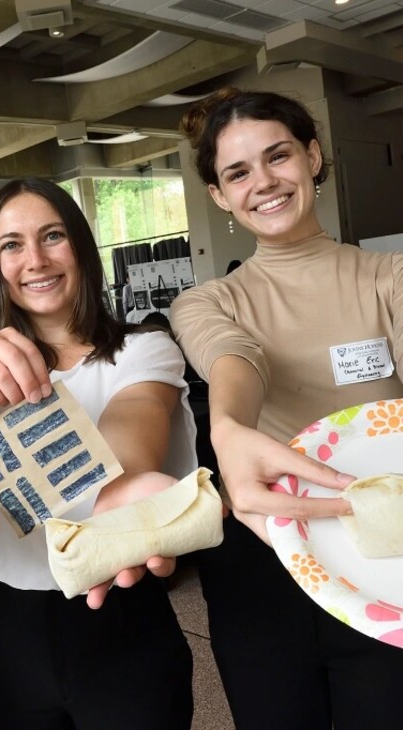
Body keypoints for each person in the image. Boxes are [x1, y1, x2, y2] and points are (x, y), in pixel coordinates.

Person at [170, 87, 403, 730]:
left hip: (383, 547)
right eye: (238, 172)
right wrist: (227, 427)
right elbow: (238, 356)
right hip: (263, 554)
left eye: (278, 157)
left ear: (313, 156)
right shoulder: (207, 303)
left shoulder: (389, 278)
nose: (264, 183)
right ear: (219, 195)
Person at [0, 177, 198, 730]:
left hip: (120, 607)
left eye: (52, 236)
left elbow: (136, 416)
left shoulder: (142, 348)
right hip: (4, 620)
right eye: (11, 244)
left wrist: (120, 491)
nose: (35, 259)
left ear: (80, 246)